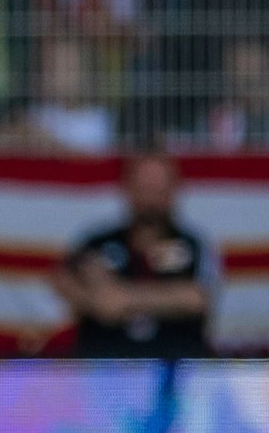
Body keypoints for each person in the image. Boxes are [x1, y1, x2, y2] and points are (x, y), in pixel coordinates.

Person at [54, 152, 216, 358]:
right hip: (104, 367)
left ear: (174, 191)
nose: (151, 199)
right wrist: (94, 300)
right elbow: (65, 282)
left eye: (159, 189)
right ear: (128, 189)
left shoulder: (192, 246)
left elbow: (196, 298)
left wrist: (122, 298)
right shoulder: (99, 243)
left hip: (175, 367)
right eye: (144, 188)